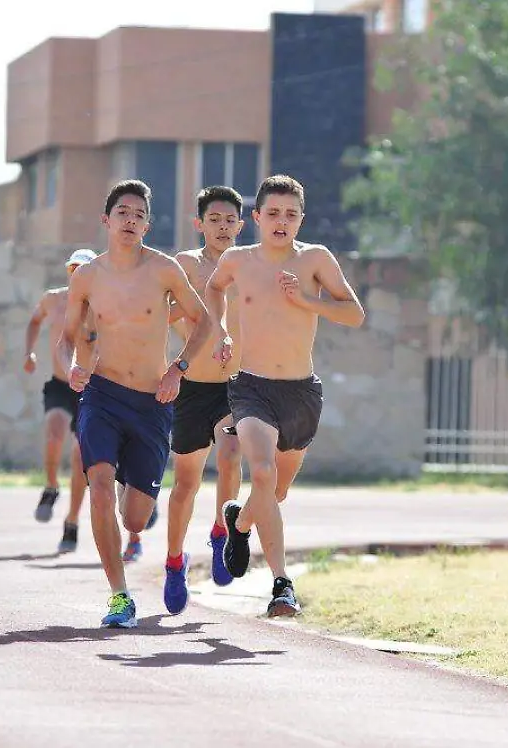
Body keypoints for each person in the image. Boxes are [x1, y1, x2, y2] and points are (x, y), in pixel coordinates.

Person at [205, 174, 365, 618]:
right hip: (251, 386)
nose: (281, 221)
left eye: (290, 214)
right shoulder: (237, 260)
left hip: (300, 392)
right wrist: (219, 327)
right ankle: (281, 584)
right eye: (272, 213)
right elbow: (214, 288)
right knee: (261, 474)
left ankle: (239, 524)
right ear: (255, 217)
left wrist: (308, 302)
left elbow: (354, 313)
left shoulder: (315, 259)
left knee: (275, 493)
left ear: (301, 220)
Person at [57, 178, 214, 629]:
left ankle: (138, 487)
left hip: (152, 401)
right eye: (123, 212)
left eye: (139, 215)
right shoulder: (87, 277)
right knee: (99, 487)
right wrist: (70, 366)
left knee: (136, 519)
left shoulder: (164, 270)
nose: (131, 220)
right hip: (102, 395)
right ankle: (120, 596)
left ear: (148, 225)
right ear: (106, 220)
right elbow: (67, 340)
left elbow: (202, 321)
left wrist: (177, 368)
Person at [160, 185, 246, 615]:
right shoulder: (185, 265)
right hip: (193, 385)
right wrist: (197, 317)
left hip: (235, 385)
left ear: (241, 225)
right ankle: (175, 562)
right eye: (214, 220)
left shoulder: (247, 266)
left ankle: (220, 535)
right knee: (187, 483)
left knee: (231, 453)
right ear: (200, 224)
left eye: (230, 220)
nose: (223, 226)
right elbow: (164, 313)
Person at [24, 248, 96, 553]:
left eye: (84, 269)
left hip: (90, 389)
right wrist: (29, 352)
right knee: (54, 433)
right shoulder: (53, 299)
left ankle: (72, 521)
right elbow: (34, 321)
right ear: (68, 271)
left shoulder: (102, 305)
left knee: (81, 458)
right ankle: (51, 486)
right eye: (73, 268)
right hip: (59, 382)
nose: (77, 273)